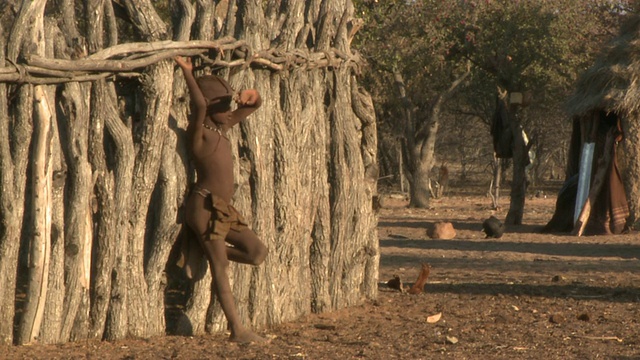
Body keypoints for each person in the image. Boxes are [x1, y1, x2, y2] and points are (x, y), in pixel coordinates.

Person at [174, 56, 269, 343]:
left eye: (230, 107)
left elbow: (254, 105)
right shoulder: (199, 134)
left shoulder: (223, 128)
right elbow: (201, 106)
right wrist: (188, 73)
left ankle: (209, 250)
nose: (230, 112)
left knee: (257, 253)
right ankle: (237, 330)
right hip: (203, 207)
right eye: (224, 107)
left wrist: (249, 97)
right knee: (221, 267)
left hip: (223, 209)